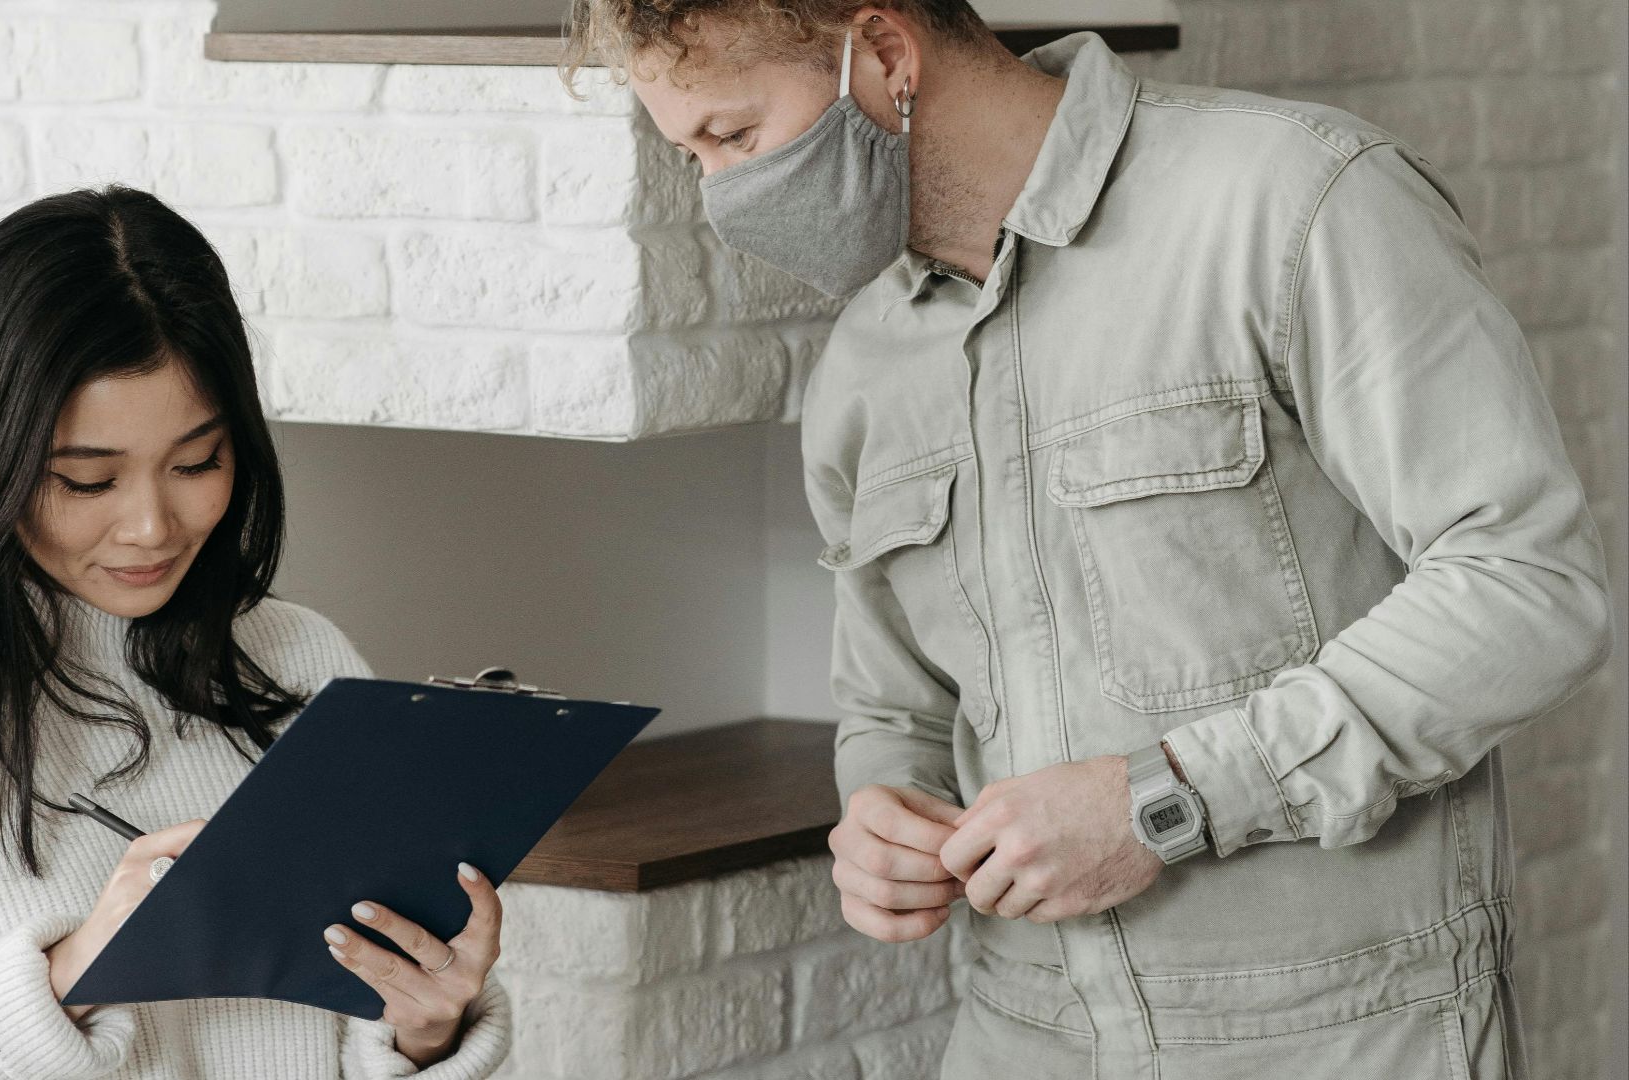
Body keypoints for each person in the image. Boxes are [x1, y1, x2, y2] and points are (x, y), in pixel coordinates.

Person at [564, 3, 1613, 1077]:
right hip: (1018, 1038)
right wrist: (880, 810)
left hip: (1346, 1040)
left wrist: (1170, 798)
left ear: (884, 56)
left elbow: (1528, 588)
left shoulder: (1291, 200)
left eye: (733, 139)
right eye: (688, 154)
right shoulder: (862, 370)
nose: (717, 195)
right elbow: (894, 705)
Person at [0, 186, 510, 1080]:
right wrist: (67, 977)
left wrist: (424, 1031)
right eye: (88, 480)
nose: (152, 525)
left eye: (196, 462)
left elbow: (353, 1022)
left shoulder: (302, 661)